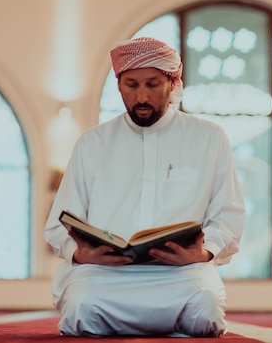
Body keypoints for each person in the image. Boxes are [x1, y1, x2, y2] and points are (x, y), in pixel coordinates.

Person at [44, 36, 246, 337]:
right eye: (131, 85)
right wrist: (80, 253)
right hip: (104, 272)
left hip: (182, 272)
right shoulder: (92, 143)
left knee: (206, 310)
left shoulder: (209, 138)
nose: (141, 97)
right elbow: (59, 223)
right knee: (81, 308)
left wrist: (203, 254)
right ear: (119, 85)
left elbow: (228, 214)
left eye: (152, 85)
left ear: (171, 83)